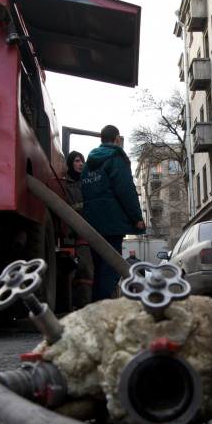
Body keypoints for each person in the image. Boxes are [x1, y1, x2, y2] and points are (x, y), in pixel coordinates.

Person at [81, 125, 145, 302]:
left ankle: (95, 310)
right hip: (111, 224)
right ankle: (103, 313)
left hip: (92, 224)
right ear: (117, 138)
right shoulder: (116, 158)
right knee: (110, 270)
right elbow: (125, 190)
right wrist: (136, 218)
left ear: (102, 139)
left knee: (99, 270)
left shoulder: (89, 164)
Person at [65, 151, 93, 309]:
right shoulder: (63, 183)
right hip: (73, 231)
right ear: (70, 163)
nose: (81, 164)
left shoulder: (87, 181)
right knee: (82, 268)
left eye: (82, 161)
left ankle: (86, 304)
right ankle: (81, 305)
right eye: (77, 161)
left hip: (88, 231)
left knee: (87, 268)